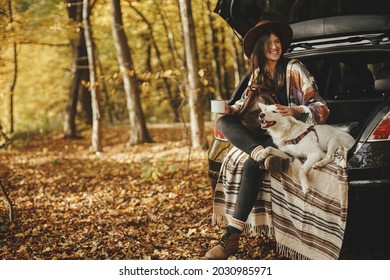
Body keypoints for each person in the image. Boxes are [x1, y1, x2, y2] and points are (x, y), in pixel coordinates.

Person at [205, 20, 330, 260]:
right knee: (222, 123)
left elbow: (322, 108)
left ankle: (232, 236)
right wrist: (231, 110)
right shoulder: (257, 74)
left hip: (289, 136)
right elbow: (247, 104)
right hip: (263, 136)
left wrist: (294, 111)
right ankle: (262, 153)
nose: (275, 47)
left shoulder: (294, 68)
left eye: (277, 42)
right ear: (260, 48)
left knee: (252, 165)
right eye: (269, 43)